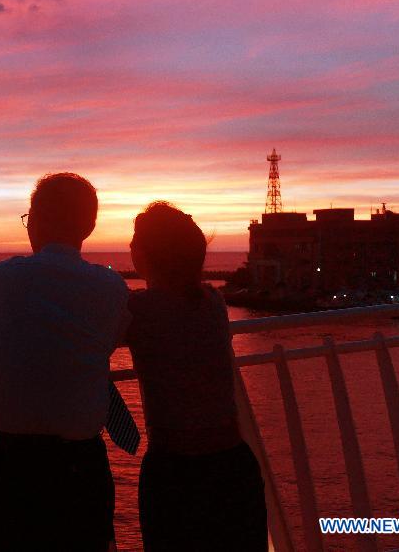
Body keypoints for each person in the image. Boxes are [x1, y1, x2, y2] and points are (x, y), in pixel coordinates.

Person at [0, 172, 130, 551]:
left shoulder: (6, 278)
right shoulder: (110, 288)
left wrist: (13, 354)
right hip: (84, 464)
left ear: (35, 220)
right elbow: (111, 340)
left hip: (17, 463)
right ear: (90, 225)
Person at [126, 201, 267, 551]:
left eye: (135, 240)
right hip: (233, 466)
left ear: (148, 254)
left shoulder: (139, 310)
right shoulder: (213, 301)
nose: (129, 246)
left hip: (176, 473)